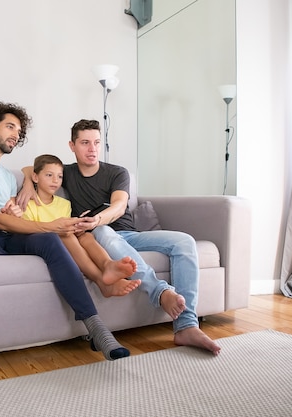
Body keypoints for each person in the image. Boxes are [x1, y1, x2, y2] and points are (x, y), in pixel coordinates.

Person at [18, 119, 221, 355]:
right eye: (85, 143)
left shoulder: (117, 172)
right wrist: (26, 185)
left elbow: (119, 205)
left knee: (184, 241)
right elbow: (30, 169)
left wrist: (97, 219)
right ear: (72, 146)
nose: (92, 149)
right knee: (104, 231)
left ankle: (186, 325)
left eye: (96, 142)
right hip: (100, 237)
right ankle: (161, 293)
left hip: (129, 235)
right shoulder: (66, 173)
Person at [0, 103, 130, 361]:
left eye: (19, 130)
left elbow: (9, 217)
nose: (16, 134)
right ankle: (11, 259)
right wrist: (48, 225)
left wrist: (16, 211)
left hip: (5, 240)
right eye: (10, 126)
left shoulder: (8, 177)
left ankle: (97, 328)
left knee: (47, 241)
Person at [22, 154, 140, 297]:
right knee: (68, 237)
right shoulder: (28, 202)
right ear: (35, 177)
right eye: (49, 175)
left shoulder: (64, 204)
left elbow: (66, 224)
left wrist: (77, 224)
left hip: (64, 236)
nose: (55, 180)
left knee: (86, 236)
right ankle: (101, 282)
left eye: (59, 177)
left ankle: (107, 265)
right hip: (42, 240)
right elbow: (28, 229)